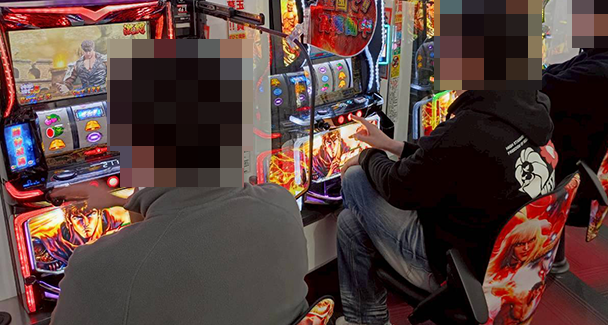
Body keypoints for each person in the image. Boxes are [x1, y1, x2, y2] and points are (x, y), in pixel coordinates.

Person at [335, 90, 558, 325]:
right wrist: (392, 146)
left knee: (355, 178)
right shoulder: (525, 107)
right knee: (350, 223)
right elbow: (448, 159)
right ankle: (367, 321)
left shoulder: (468, 126)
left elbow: (399, 189)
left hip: (461, 272)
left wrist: (368, 156)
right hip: (511, 266)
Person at [49, 181, 310, 325]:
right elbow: (191, 212)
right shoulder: (282, 203)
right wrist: (123, 200)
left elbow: (157, 243)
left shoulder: (94, 270)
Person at [542, 48, 608, 187]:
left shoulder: (603, 70)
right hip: (578, 139)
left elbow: (543, 90)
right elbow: (556, 70)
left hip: (566, 160)